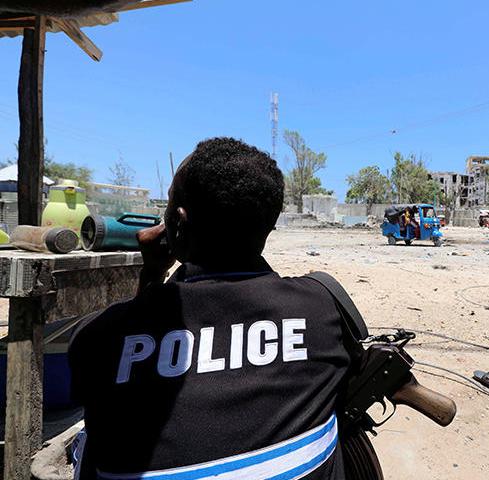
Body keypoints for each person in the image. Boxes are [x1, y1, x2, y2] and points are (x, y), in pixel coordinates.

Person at [68, 137, 351, 480]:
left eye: (170, 204)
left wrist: (153, 273)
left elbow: (115, 372)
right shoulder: (321, 307)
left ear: (179, 223)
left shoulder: (99, 338)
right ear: (268, 225)